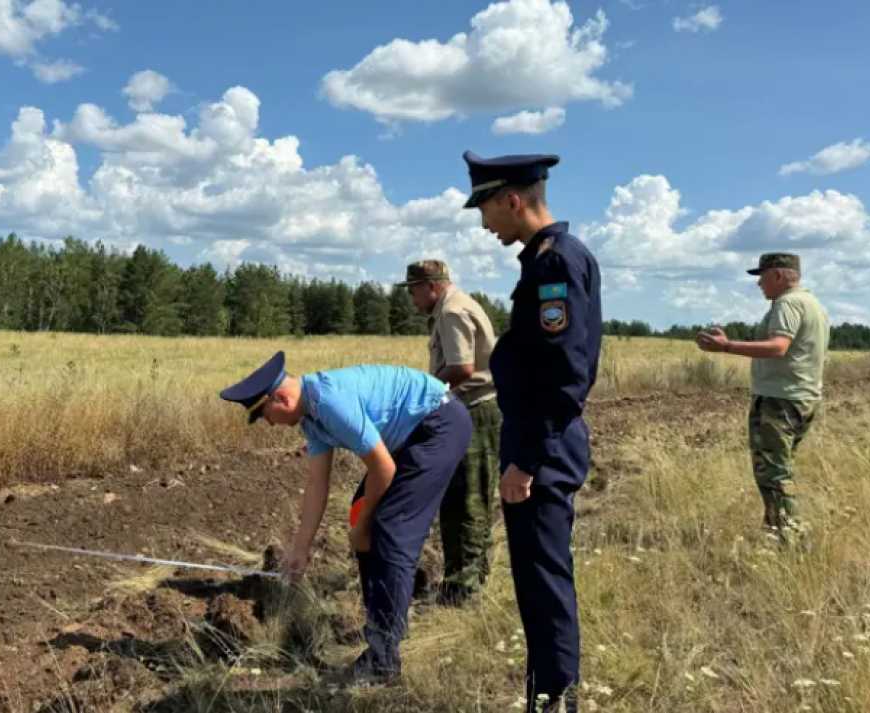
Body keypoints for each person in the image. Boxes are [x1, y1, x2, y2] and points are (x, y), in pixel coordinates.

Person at [220, 352, 472, 684]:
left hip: (439, 425)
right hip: (412, 435)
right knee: (361, 512)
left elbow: (384, 468)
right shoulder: (311, 417)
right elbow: (316, 484)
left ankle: (383, 662)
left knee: (392, 529)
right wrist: (300, 549)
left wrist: (363, 526)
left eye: (265, 415)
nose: (268, 423)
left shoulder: (329, 402)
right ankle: (383, 624)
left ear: (280, 397)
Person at [463, 151, 602, 713]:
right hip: (536, 445)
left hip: (539, 452)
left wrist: (526, 461)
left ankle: (555, 700)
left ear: (512, 200)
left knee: (543, 584)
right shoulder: (546, 259)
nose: (484, 224)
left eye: (486, 209)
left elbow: (565, 375)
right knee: (538, 580)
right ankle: (547, 692)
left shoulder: (554, 263)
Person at [695, 253, 828, 540]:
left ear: (778, 276)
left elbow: (779, 346)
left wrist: (727, 346)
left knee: (773, 473)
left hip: (780, 400)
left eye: (762, 276)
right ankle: (778, 529)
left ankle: (787, 538)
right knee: (778, 468)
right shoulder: (811, 303)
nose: (758, 284)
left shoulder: (788, 303)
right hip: (801, 397)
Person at [399, 259, 502, 605]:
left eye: (413, 290)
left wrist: (427, 392)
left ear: (431, 286)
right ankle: (467, 578)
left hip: (474, 411)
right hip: (473, 410)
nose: (412, 299)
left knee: (468, 499)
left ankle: (464, 588)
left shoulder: (451, 312)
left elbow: (461, 367)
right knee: (463, 498)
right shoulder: (457, 304)